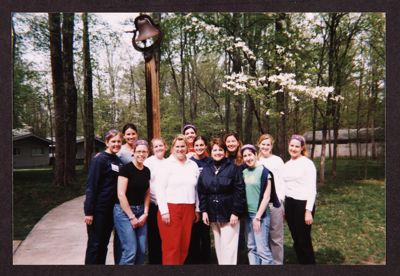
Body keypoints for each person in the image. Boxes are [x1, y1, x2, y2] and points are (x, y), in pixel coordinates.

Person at [197, 138, 246, 265]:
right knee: (219, 248)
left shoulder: (233, 168)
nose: (217, 152)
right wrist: (204, 211)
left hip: (230, 214)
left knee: (228, 249)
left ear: (225, 152)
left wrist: (236, 212)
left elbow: (240, 191)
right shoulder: (206, 169)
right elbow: (202, 191)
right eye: (215, 150)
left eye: (220, 150)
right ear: (210, 152)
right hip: (213, 214)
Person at [155, 134, 200, 265]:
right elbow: (159, 189)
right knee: (171, 247)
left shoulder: (193, 165)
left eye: (183, 146)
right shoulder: (166, 164)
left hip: (189, 208)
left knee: (184, 246)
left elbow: (196, 189)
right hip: (171, 209)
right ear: (172, 148)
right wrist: (164, 211)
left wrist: (197, 209)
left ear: (187, 147)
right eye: (177, 146)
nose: (180, 149)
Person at [84, 129, 123, 264]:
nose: (116, 144)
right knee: (95, 245)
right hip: (98, 210)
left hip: (111, 210)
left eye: (119, 141)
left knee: (103, 244)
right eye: (113, 141)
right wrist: (89, 211)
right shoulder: (99, 160)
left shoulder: (117, 160)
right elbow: (91, 186)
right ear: (106, 142)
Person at [241, 144, 281, 265]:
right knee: (251, 247)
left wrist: (258, 217)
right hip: (248, 215)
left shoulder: (265, 172)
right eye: (245, 156)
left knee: (262, 250)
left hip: (261, 216)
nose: (248, 158)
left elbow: (267, 197)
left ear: (255, 155)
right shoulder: (244, 172)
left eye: (250, 155)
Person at [113, 140, 151, 265]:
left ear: (148, 153)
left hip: (141, 211)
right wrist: (132, 217)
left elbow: (147, 193)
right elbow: (121, 194)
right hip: (124, 212)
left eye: (144, 151)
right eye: (138, 151)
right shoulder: (126, 169)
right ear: (133, 153)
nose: (141, 154)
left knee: (141, 250)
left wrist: (145, 213)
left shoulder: (147, 171)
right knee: (130, 251)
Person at [282, 134, 317, 264]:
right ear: (288, 146)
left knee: (303, 239)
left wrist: (308, 211)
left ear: (302, 148)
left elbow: (312, 189)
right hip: (290, 204)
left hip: (303, 205)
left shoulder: (307, 164)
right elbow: (285, 187)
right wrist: (285, 208)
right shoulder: (287, 164)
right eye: (292, 146)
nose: (294, 148)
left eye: (297, 146)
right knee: (296, 239)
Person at [257, 134, 285, 265]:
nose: (265, 147)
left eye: (268, 144)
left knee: (276, 237)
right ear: (259, 145)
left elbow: (282, 182)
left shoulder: (277, 161)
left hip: (275, 203)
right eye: (263, 144)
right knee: (262, 237)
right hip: (259, 205)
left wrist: (281, 202)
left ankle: (277, 264)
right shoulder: (256, 160)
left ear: (271, 146)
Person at [186, 136, 212, 264]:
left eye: (202, 145)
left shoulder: (210, 161)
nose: (199, 147)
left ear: (206, 146)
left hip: (207, 201)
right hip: (192, 201)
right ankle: (194, 260)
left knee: (205, 234)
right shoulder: (189, 161)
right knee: (193, 234)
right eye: (197, 145)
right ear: (193, 146)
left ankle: (206, 261)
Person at [143, 137, 168, 264]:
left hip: (166, 206)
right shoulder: (148, 162)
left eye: (161, 145)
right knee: (153, 237)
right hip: (152, 204)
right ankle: (154, 264)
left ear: (165, 147)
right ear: (152, 149)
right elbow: (145, 184)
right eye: (156, 146)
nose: (159, 148)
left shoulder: (168, 162)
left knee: (165, 236)